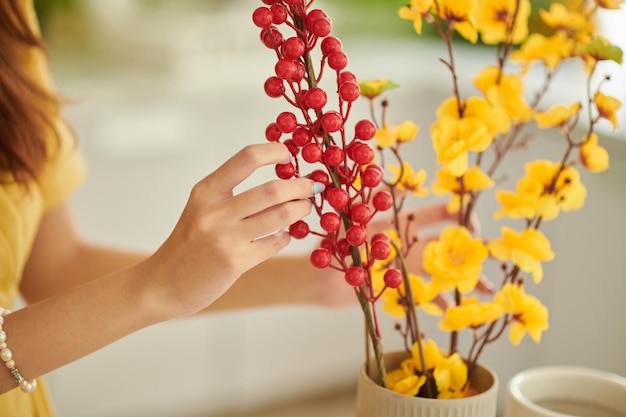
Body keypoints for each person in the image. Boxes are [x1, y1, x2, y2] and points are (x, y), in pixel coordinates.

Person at [0, 0, 481, 415]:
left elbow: (55, 269)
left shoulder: (12, 19)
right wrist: (157, 285)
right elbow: (152, 285)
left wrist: (324, 276)